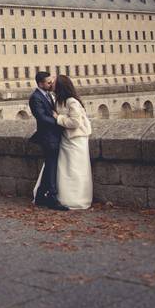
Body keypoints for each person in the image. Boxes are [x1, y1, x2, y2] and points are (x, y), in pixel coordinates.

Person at [50, 74, 93, 210]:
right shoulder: (62, 100)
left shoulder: (71, 101)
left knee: (75, 170)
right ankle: (69, 198)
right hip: (70, 138)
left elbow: (75, 122)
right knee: (69, 170)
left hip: (76, 139)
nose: (51, 84)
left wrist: (58, 118)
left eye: (54, 82)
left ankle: (76, 199)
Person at [27, 71, 68, 210]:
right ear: (40, 83)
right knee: (51, 167)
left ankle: (40, 196)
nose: (51, 84)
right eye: (48, 82)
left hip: (52, 136)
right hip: (47, 137)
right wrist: (60, 121)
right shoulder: (35, 97)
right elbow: (42, 118)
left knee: (50, 167)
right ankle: (52, 198)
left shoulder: (46, 94)